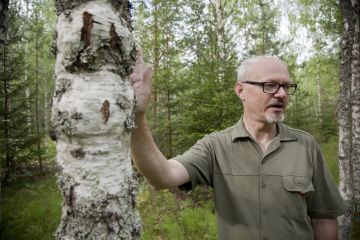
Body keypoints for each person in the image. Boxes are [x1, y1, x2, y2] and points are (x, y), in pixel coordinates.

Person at [130, 49, 345, 240]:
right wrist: (137, 117)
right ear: (241, 90)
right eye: (269, 85)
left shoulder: (305, 145)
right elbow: (162, 176)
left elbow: (323, 219)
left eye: (286, 86)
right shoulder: (216, 146)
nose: (281, 94)